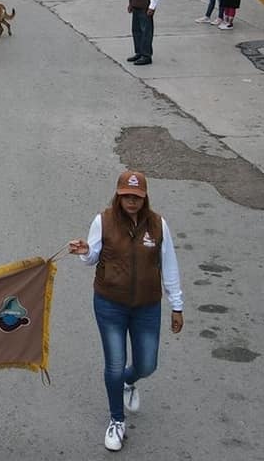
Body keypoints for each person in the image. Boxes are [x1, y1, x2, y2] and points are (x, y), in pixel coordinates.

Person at [67, 170, 184, 453]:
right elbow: (92, 256)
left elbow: (169, 265)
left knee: (147, 365)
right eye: (126, 196)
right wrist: (84, 250)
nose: (132, 201)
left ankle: (130, 382)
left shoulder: (158, 225)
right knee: (114, 365)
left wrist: (176, 305)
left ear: (144, 198)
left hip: (147, 306)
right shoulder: (103, 221)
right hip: (110, 304)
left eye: (137, 197)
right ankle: (117, 420)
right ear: (118, 195)